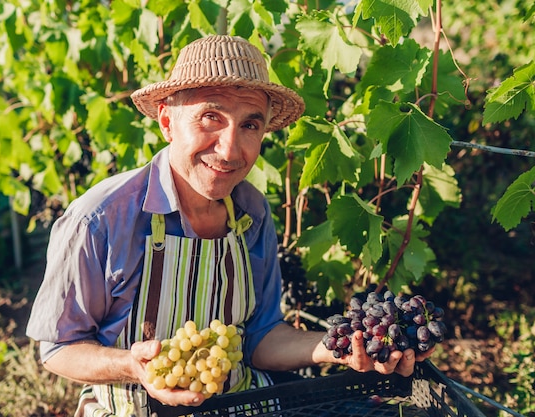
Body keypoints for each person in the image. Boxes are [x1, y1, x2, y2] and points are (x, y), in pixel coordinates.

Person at [26, 35, 431, 416]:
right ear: (167, 121)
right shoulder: (100, 219)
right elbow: (58, 348)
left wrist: (333, 348)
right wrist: (133, 366)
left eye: (250, 125)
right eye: (210, 117)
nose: (230, 149)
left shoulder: (251, 212)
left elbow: (260, 338)